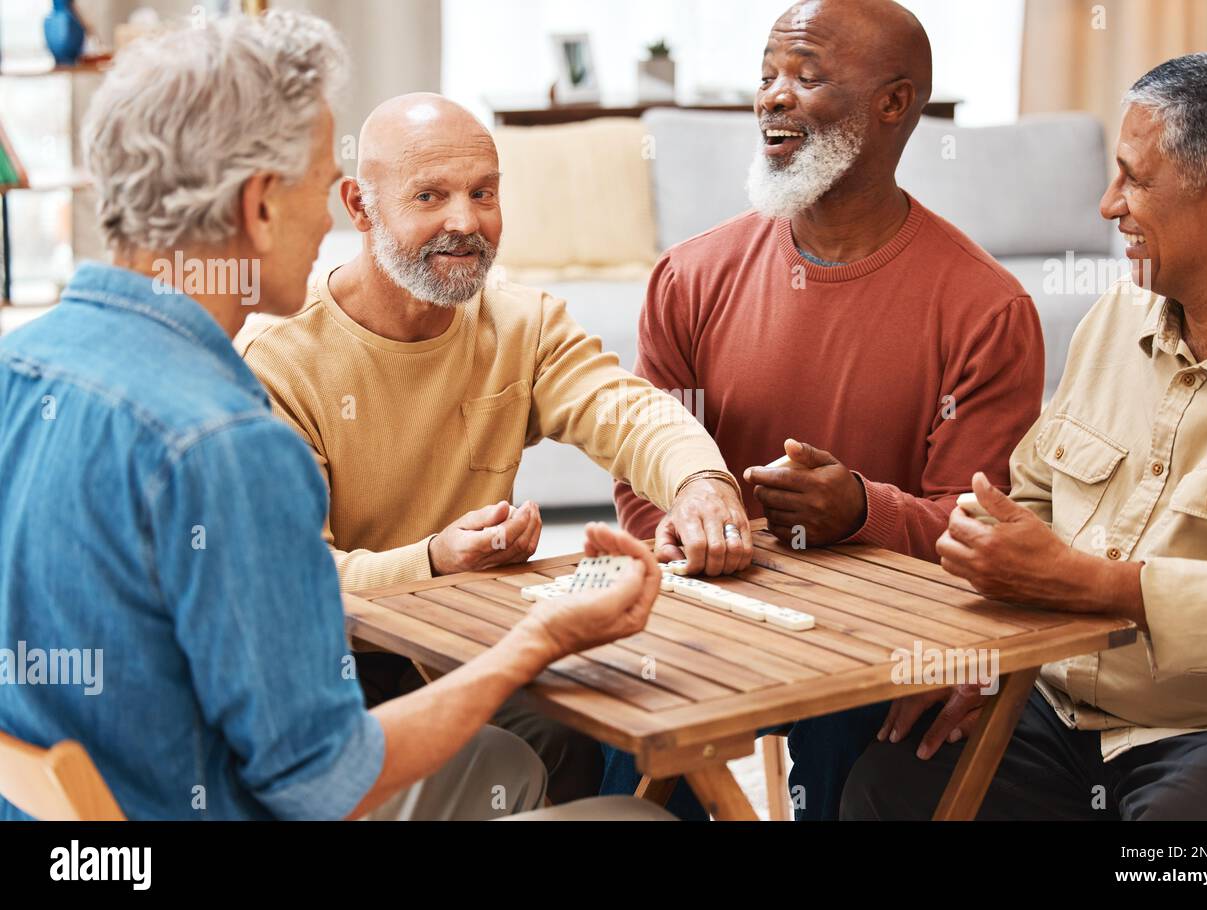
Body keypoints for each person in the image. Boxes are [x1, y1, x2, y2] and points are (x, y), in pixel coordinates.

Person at [0, 11, 670, 821]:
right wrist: (543, 637)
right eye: (321, 186)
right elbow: (326, 780)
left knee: (518, 756)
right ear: (259, 207)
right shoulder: (229, 441)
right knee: (638, 817)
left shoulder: (19, 367)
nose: (330, 221)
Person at [235, 91, 753, 803]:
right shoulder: (277, 360)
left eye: (484, 192)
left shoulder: (521, 321)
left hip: (467, 651)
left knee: (643, 713)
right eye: (430, 195)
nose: (465, 221)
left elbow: (625, 410)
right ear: (359, 207)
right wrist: (431, 561)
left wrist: (701, 480)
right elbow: (300, 583)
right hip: (337, 681)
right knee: (551, 741)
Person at [606, 0, 1045, 819]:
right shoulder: (689, 276)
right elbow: (641, 467)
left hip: (871, 646)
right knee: (617, 698)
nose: (772, 96)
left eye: (806, 77)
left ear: (894, 103)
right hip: (709, 611)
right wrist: (670, 523)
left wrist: (861, 511)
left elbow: (976, 532)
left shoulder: (988, 308)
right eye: (767, 76)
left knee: (861, 730)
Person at [843, 50, 1207, 821]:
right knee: (887, 790)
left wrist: (1090, 584)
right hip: (1055, 697)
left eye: (1133, 178)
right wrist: (993, 649)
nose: (1107, 204)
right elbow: (1032, 502)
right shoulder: (1116, 318)